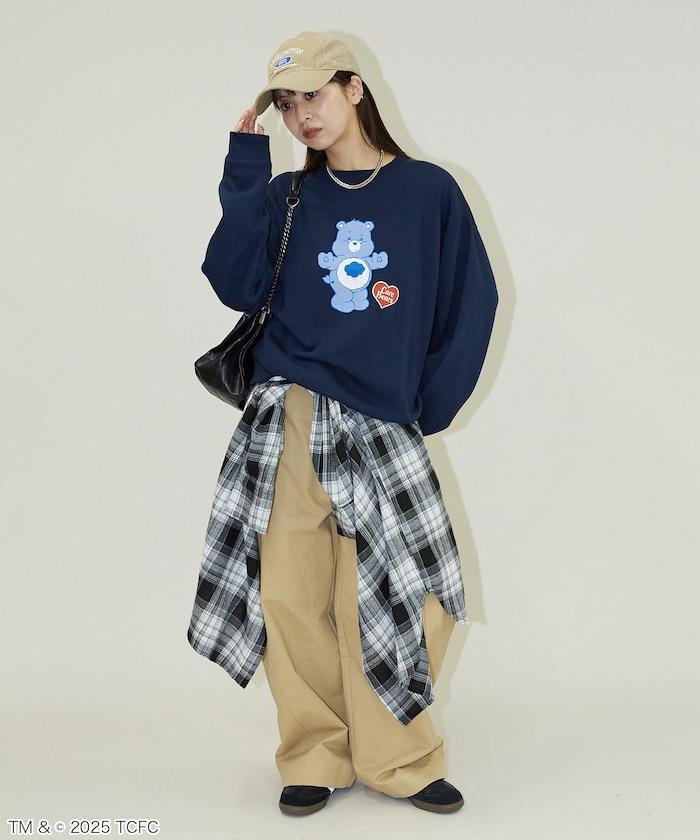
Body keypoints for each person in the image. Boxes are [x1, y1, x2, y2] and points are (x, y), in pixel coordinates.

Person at [187, 30, 499, 817]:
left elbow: (473, 303)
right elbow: (232, 281)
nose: (303, 116)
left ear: (355, 89)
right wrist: (245, 172)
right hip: (290, 412)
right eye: (288, 104)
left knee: (412, 590)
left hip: (383, 418)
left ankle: (399, 757)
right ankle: (315, 754)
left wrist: (424, 404)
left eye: (315, 95)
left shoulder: (429, 191)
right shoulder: (289, 197)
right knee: (291, 594)